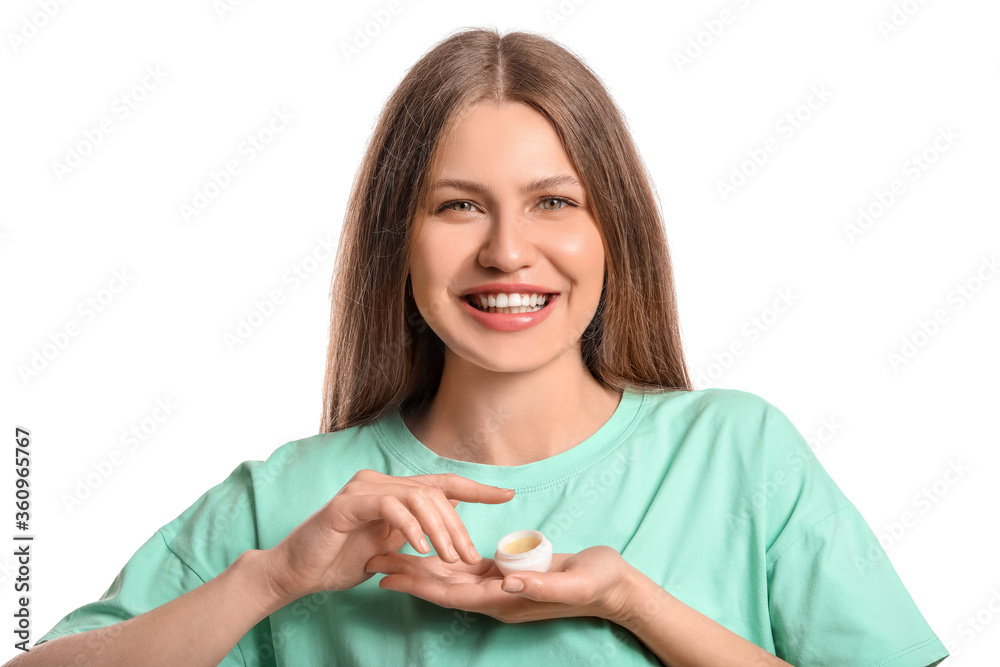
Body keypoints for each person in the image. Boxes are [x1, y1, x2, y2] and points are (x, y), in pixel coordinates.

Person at [13, 27, 949, 667]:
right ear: (399, 240)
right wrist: (274, 578)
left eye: (555, 201)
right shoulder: (293, 503)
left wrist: (632, 602)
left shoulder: (738, 453)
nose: (507, 250)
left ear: (612, 231)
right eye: (459, 205)